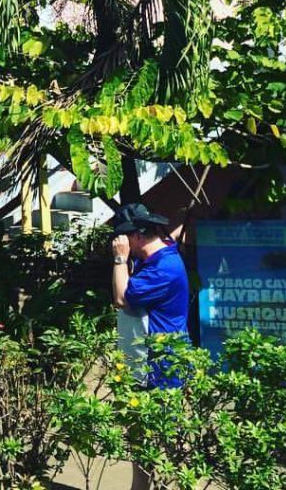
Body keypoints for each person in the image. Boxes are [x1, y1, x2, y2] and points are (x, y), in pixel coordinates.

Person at [111, 202, 190, 490]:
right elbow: (170, 235)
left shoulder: (164, 268)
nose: (119, 243)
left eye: (124, 238)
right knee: (140, 437)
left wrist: (120, 260)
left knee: (160, 441)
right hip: (146, 361)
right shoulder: (158, 255)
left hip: (161, 365)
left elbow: (121, 297)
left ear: (138, 236)